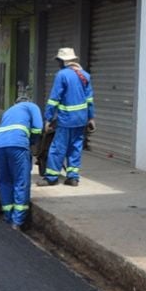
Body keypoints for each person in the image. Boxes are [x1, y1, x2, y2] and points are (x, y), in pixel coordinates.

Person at [39, 47, 95, 187]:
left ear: (62, 61)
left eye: (59, 60)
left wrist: (48, 118)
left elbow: (54, 99)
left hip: (66, 119)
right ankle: (73, 177)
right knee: (75, 147)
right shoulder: (85, 75)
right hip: (81, 119)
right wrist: (91, 118)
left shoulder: (62, 75)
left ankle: (51, 177)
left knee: (58, 148)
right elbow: (89, 100)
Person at [0, 95, 44, 230]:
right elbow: (38, 128)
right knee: (21, 181)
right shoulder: (32, 106)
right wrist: (32, 142)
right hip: (18, 145)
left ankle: (8, 215)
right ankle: (18, 221)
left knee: (4, 180)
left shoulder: (8, 111)